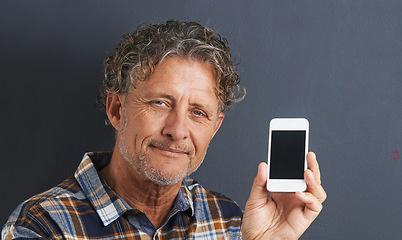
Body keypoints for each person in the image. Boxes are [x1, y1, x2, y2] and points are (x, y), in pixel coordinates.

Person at [2, 20, 326, 239]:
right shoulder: (41, 226)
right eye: (160, 103)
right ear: (117, 109)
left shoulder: (232, 222)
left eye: (198, 112)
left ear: (215, 128)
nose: (178, 130)